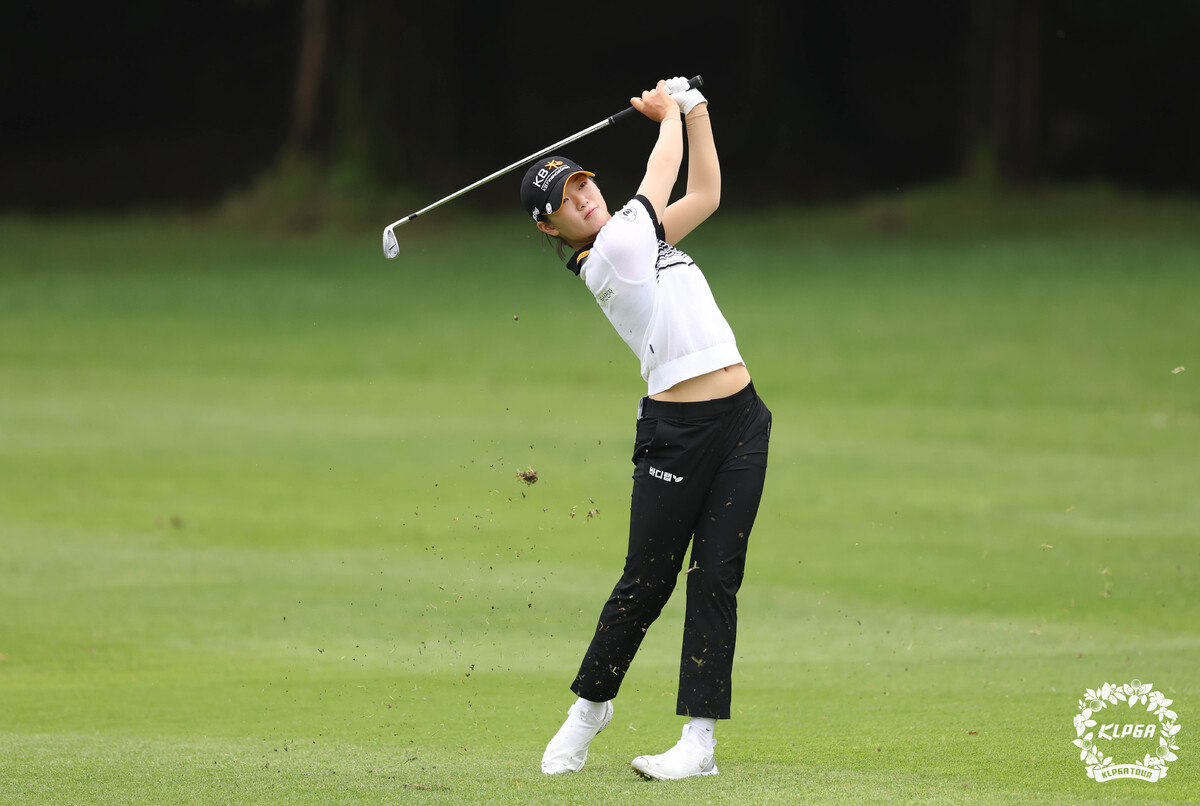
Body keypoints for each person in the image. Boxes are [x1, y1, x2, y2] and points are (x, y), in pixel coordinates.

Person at [519, 77, 772, 780]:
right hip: (677, 432)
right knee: (646, 582)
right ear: (551, 227)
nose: (582, 197)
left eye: (582, 183)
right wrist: (667, 115)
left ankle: (699, 744)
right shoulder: (610, 257)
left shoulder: (640, 237)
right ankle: (589, 708)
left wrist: (696, 109)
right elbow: (662, 174)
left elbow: (707, 194)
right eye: (565, 200)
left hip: (743, 420)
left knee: (716, 579)